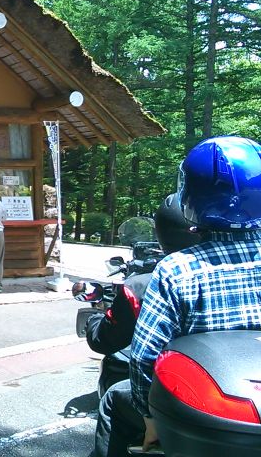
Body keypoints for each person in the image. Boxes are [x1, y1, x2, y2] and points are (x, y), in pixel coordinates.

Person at [118, 136, 261, 455]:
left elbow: (144, 358)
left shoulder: (177, 270)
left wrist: (151, 418)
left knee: (113, 399)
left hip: (210, 429)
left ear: (192, 195)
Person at [88, 193, 202, 457]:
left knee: (113, 399)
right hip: (243, 396)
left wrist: (95, 320)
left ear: (162, 232)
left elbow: (130, 351)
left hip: (183, 394)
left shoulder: (147, 283)